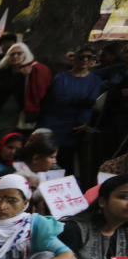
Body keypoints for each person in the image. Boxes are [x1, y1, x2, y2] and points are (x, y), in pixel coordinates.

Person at [39, 45, 105, 176]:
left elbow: (93, 101)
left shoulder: (96, 80)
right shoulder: (61, 78)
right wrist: (84, 102)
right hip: (56, 123)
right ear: (74, 59)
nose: (85, 60)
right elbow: (60, 99)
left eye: (89, 57)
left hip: (79, 126)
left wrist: (87, 122)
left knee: (72, 163)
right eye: (81, 57)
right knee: (51, 158)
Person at [0, 43, 51, 150]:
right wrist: (19, 75)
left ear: (25, 55)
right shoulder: (4, 70)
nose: (15, 56)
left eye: (19, 53)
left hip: (17, 117)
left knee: (7, 144)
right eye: (12, 54)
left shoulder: (32, 71)